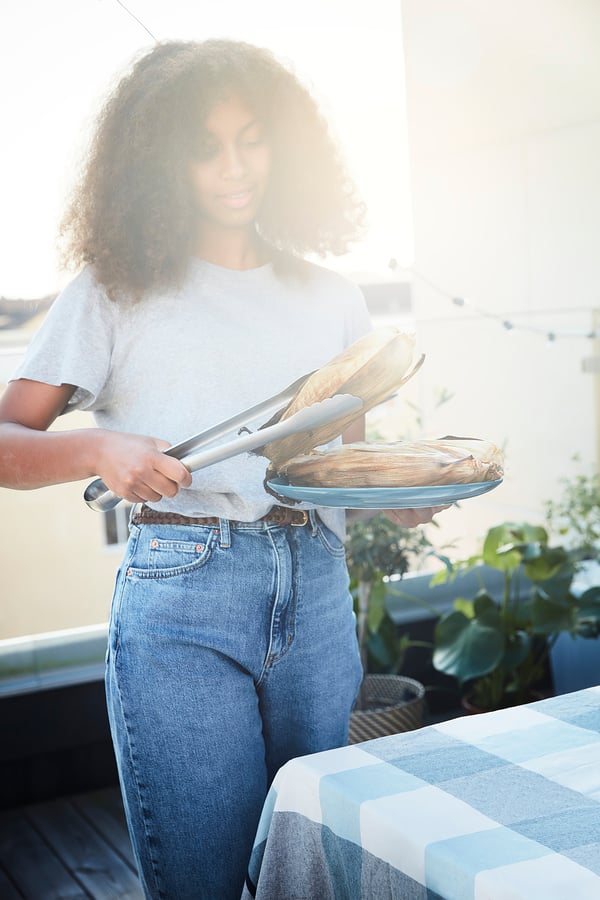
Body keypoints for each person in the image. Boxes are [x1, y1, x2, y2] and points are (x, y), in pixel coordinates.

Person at [0, 39, 444, 899]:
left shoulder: (332, 297)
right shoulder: (114, 289)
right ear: (160, 162)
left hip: (317, 590)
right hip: (183, 601)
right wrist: (100, 449)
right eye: (206, 147)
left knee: (315, 872)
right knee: (201, 882)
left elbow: (343, 460)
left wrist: (402, 498)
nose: (235, 168)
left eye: (253, 139)